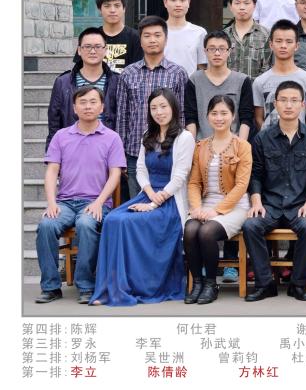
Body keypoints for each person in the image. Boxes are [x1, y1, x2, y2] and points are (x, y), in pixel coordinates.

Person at [91, 89, 195, 306]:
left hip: (170, 201)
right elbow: (140, 170)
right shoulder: (148, 134)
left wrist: (154, 203)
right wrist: (148, 195)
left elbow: (180, 176)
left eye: (163, 106)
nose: (159, 112)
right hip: (147, 194)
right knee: (113, 219)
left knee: (130, 222)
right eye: (154, 107)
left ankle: (138, 286)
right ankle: (111, 288)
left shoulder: (184, 137)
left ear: (174, 108)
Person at [35, 86, 125, 304]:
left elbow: (115, 174)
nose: (88, 106)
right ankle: (51, 286)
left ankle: (85, 285)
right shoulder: (61, 136)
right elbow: (52, 171)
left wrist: (99, 202)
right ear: (74, 108)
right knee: (46, 225)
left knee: (85, 224)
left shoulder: (112, 138)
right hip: (65, 202)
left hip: (96, 202)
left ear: (102, 107)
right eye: (82, 102)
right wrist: (51, 203)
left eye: (93, 102)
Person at [243, 81, 306, 302]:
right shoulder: (262, 138)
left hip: (300, 204)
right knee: (251, 225)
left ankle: (297, 285)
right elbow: (255, 175)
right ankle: (265, 284)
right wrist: (256, 203)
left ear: (302, 104)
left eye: (294, 100)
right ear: (275, 104)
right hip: (270, 205)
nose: (288, 105)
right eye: (283, 100)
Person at [183, 95, 253, 305]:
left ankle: (211, 283)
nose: (219, 118)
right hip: (205, 204)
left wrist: (217, 211)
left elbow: (241, 186)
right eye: (214, 113)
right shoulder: (200, 146)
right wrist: (196, 208)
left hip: (235, 207)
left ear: (233, 116)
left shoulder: (242, 146)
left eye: (224, 113)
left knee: (206, 232)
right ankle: (197, 282)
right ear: (207, 116)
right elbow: (194, 182)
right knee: (190, 229)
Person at [115, 16, 188, 198]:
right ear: (140, 41)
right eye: (147, 36)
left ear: (166, 39)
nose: (152, 40)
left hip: (168, 151)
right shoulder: (128, 74)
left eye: (157, 35)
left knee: (166, 201)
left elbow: (182, 114)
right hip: (134, 151)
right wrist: (120, 153)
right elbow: (122, 116)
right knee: (137, 203)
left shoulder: (178, 73)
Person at [47, 27, 121, 147]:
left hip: (107, 148)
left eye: (98, 47)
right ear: (79, 50)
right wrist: (52, 153)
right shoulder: (63, 82)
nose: (92, 51)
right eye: (87, 47)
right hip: (72, 147)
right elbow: (54, 122)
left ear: (105, 50)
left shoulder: (117, 81)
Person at [185, 31, 254, 141]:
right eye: (212, 49)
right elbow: (190, 117)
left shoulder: (242, 81)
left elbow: (246, 118)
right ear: (205, 51)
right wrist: (193, 145)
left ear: (229, 51)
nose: (217, 53)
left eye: (222, 49)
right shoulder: (194, 80)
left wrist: (240, 146)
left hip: (233, 144)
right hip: (202, 144)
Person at [252, 20, 306, 131]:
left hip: (299, 139)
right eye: (278, 41)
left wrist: (305, 138)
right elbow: (258, 118)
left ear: (297, 46)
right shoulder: (260, 81)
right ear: (271, 45)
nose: (283, 46)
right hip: (269, 140)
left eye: (289, 41)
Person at [223, 0, 272, 79]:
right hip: (228, 87)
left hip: (257, 87)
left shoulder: (266, 35)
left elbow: (269, 67)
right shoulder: (223, 36)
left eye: (246, 3)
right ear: (230, 6)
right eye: (237, 3)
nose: (242, 7)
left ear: (254, 6)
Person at [161, 0, 207, 75]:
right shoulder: (157, 32)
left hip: (189, 84)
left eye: (182, 0)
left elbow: (203, 67)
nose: (178, 4)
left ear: (189, 2)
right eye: (173, 0)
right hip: (161, 84)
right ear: (165, 2)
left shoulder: (199, 33)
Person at [92, 0, 142, 72]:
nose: (112, 10)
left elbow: (139, 69)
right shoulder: (91, 37)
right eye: (107, 6)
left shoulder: (136, 37)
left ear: (124, 9)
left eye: (117, 6)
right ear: (100, 10)